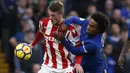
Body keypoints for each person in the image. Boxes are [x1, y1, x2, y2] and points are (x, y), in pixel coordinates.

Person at [29, 1, 83, 73]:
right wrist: (32, 44)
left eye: (53, 15)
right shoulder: (44, 23)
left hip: (65, 67)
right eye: (49, 15)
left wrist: (78, 63)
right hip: (48, 66)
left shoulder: (70, 29)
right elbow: (40, 32)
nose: (50, 18)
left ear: (60, 14)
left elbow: (78, 47)